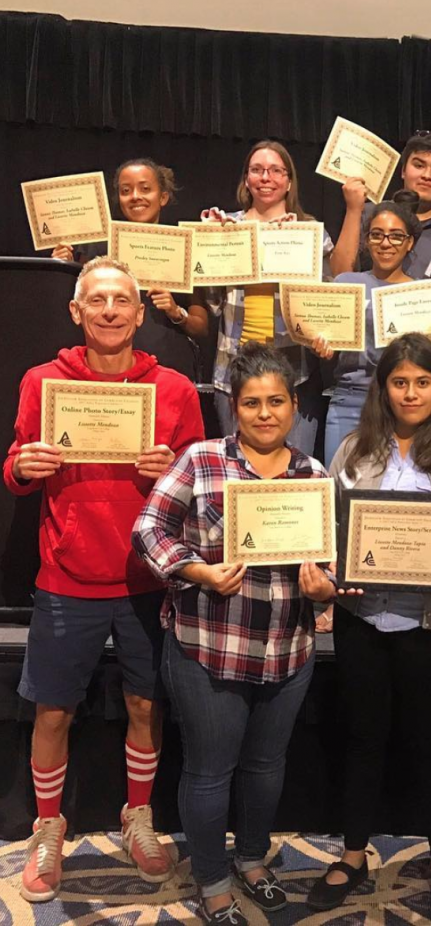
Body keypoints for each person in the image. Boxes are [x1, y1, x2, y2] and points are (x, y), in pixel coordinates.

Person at [4, 256, 205, 902]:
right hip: (67, 577)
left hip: (147, 579)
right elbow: (14, 469)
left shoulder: (173, 389)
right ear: (77, 311)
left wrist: (167, 469)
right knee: (53, 709)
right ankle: (47, 827)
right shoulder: (43, 381)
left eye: (122, 301)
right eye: (98, 301)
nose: (111, 311)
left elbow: (201, 487)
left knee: (146, 704)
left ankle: (138, 814)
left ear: (141, 313)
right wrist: (25, 466)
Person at [132, 341, 334, 926]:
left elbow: (333, 561)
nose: (265, 413)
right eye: (251, 403)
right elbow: (149, 529)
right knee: (209, 769)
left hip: (288, 651)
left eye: (276, 402)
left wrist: (326, 588)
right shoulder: (200, 461)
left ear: (294, 405)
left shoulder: (312, 474)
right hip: (208, 647)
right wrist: (195, 570)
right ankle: (212, 880)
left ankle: (250, 859)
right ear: (233, 407)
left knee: (267, 766)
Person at [306, 333, 431, 925]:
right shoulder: (354, 451)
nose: (410, 392)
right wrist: (333, 570)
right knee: (363, 738)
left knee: (430, 742)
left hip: (429, 621)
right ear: (382, 387)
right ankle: (354, 853)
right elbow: (329, 531)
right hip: (362, 618)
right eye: (399, 381)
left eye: (422, 381)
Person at [202, 139, 357, 455]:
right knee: (241, 475)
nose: (265, 177)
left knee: (291, 477)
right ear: (247, 179)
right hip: (234, 370)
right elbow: (215, 304)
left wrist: (325, 337)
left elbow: (331, 293)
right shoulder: (225, 226)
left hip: (292, 374)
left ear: (288, 181)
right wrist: (213, 246)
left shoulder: (308, 233)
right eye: (257, 170)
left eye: (275, 170)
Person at [50, 158, 210, 379]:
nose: (135, 196)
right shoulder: (96, 249)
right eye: (126, 190)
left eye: (145, 189)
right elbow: (72, 308)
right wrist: (63, 265)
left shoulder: (182, 247)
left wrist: (176, 312)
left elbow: (201, 327)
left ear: (162, 197)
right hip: (106, 367)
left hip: (168, 366)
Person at [320, 190, 424, 467]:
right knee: (341, 487)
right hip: (349, 401)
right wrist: (322, 347)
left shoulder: (422, 292)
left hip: (401, 405)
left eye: (395, 236)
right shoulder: (346, 282)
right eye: (376, 235)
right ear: (366, 241)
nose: (385, 243)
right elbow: (329, 340)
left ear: (409, 243)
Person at [343, 132, 431, 280]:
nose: (426, 175)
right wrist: (353, 211)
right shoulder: (367, 214)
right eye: (418, 165)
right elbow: (340, 276)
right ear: (403, 171)